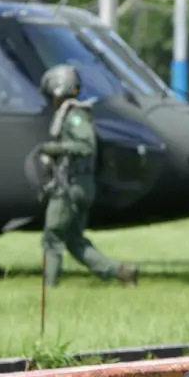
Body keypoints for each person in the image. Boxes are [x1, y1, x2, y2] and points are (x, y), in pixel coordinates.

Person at [38, 64, 138, 288]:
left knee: (52, 237)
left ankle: (49, 287)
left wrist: (53, 149)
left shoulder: (75, 116)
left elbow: (86, 145)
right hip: (78, 185)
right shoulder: (72, 114)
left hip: (71, 186)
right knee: (75, 241)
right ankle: (122, 273)